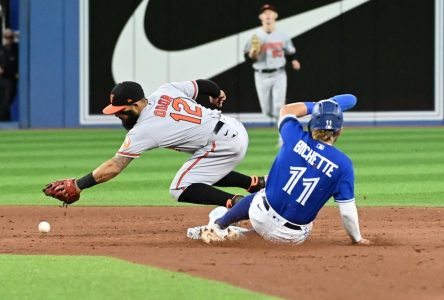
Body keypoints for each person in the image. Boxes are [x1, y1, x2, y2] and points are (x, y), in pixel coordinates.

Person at [42, 79, 265, 206]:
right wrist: (217, 94)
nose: (117, 115)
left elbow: (114, 166)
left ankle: (239, 204)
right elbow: (202, 85)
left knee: (180, 188)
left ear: (137, 105)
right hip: (233, 128)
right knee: (200, 170)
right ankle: (254, 184)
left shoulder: (144, 130)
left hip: (223, 144)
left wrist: (79, 185)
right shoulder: (166, 90)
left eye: (121, 110)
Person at [199, 95, 371, 245]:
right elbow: (347, 213)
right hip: (291, 237)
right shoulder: (344, 165)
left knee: (261, 195)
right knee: (299, 225)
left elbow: (287, 110)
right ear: (340, 130)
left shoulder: (294, 136)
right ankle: (240, 236)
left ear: (312, 123)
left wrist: (320, 105)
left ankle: (219, 225)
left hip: (259, 214)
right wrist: (357, 239)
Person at [244, 4, 301, 122]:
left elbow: (291, 52)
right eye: (265, 13)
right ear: (261, 17)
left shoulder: (282, 36)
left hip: (279, 74)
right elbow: (247, 58)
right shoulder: (254, 36)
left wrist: (294, 60)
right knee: (266, 110)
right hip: (261, 75)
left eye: (270, 12)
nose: (267, 14)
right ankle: (277, 118)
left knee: (278, 108)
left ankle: (283, 138)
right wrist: (252, 54)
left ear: (275, 16)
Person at [0, 29, 18, 121]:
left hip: (11, 79)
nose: (8, 39)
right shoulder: (2, 49)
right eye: (6, 37)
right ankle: (5, 121)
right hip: (2, 78)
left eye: (10, 37)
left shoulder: (16, 50)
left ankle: (2, 118)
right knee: (2, 101)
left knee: (7, 101)